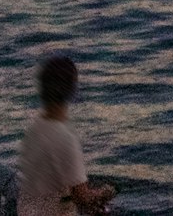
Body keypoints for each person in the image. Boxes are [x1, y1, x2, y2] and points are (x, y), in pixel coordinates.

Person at [18, 57, 114, 216]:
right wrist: (107, 192)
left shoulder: (35, 129)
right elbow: (83, 198)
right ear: (71, 90)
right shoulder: (65, 139)